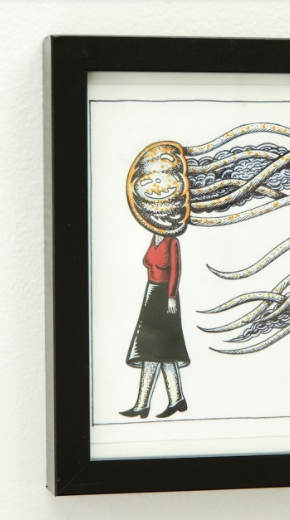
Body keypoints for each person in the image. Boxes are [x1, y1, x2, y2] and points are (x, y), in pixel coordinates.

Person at [121, 142, 192, 419]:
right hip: (151, 294)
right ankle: (165, 401)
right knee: (154, 351)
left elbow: (176, 271)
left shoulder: (172, 241)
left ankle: (152, 403)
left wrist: (172, 297)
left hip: (165, 296)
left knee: (160, 350)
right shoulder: (154, 238)